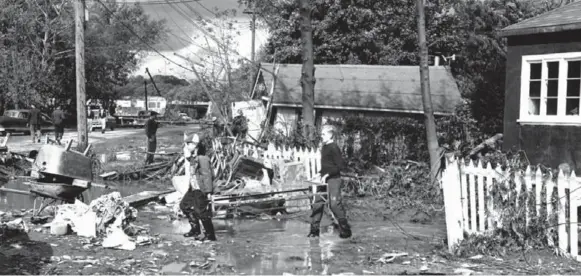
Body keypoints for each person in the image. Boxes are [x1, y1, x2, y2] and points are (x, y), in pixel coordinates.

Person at [308, 125, 352, 239]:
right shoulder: (324, 147)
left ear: (330, 134)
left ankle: (345, 231)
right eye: (321, 134)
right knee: (317, 203)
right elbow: (326, 165)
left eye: (323, 134)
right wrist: (319, 173)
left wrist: (327, 175)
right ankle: (314, 231)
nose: (321, 136)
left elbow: (339, 166)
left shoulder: (334, 147)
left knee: (334, 205)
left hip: (333, 179)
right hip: (323, 180)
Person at [179, 133, 216, 241]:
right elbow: (191, 163)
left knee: (202, 213)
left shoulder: (203, 159)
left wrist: (208, 191)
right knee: (184, 206)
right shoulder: (194, 158)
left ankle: (210, 235)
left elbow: (207, 176)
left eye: (188, 144)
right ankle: (195, 229)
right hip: (193, 188)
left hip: (201, 189)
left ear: (196, 146)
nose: (186, 146)